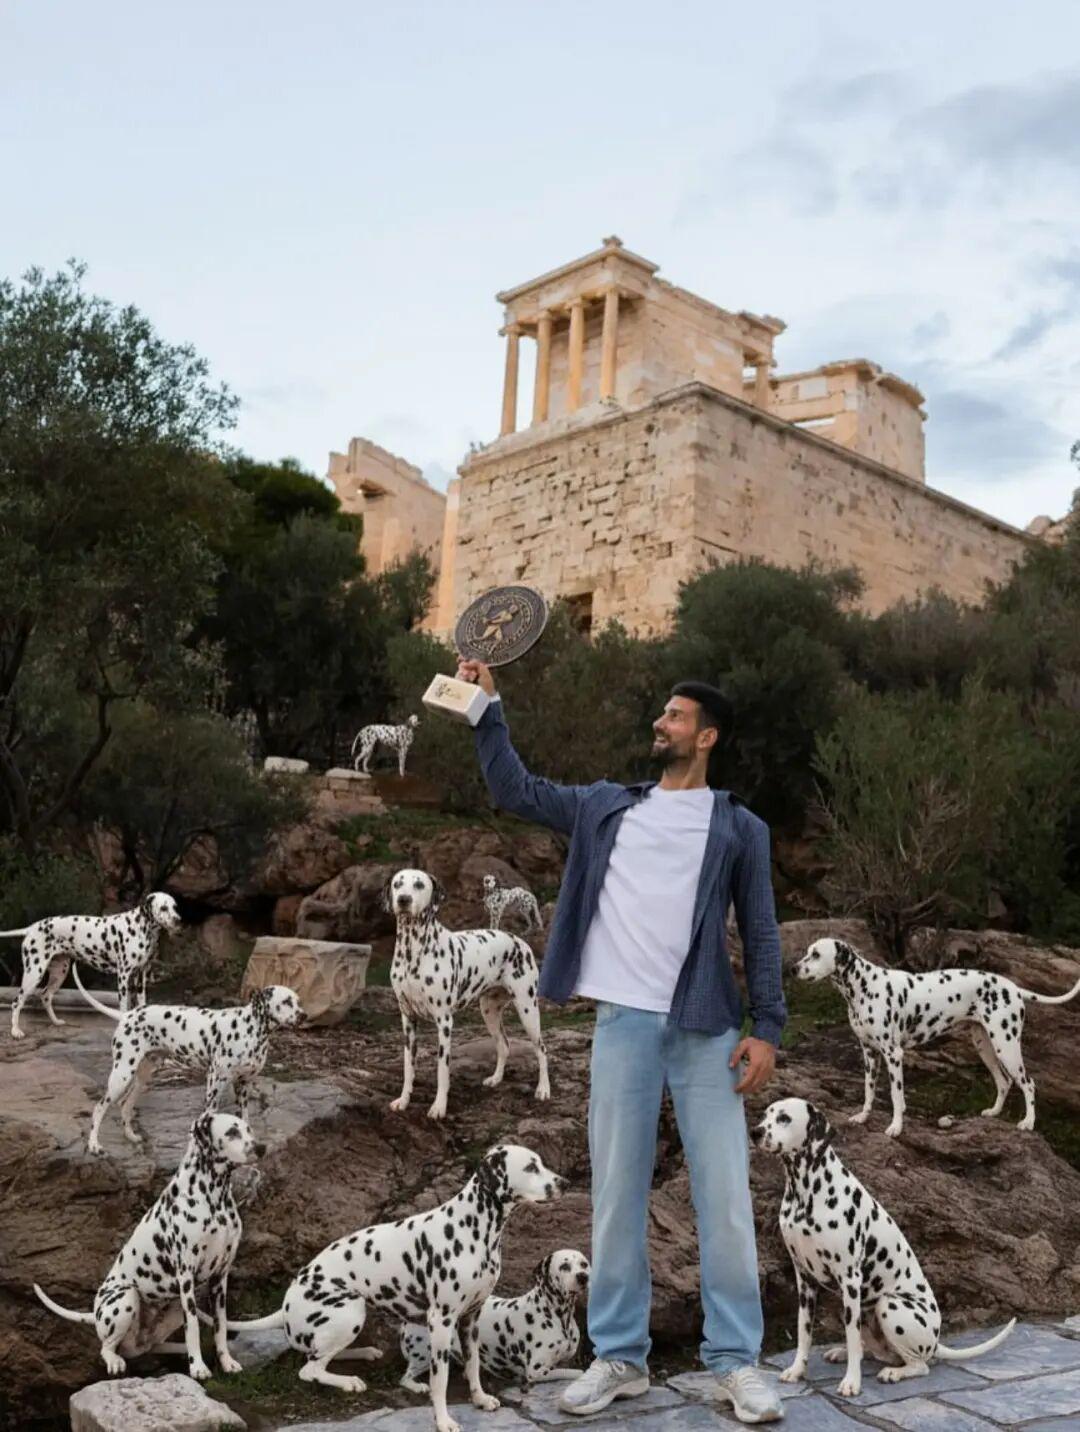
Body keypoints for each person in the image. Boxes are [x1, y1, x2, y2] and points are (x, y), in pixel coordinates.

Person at [456, 658, 786, 1424]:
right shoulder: (607, 806)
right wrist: (485, 707)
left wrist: (767, 1027)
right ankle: (619, 1358)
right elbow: (515, 789)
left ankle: (736, 1362)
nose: (659, 724)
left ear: (706, 737)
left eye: (674, 716)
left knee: (725, 1201)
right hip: (623, 1026)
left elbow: (762, 931)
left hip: (706, 1029)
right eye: (661, 713)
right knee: (615, 1198)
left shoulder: (739, 828)